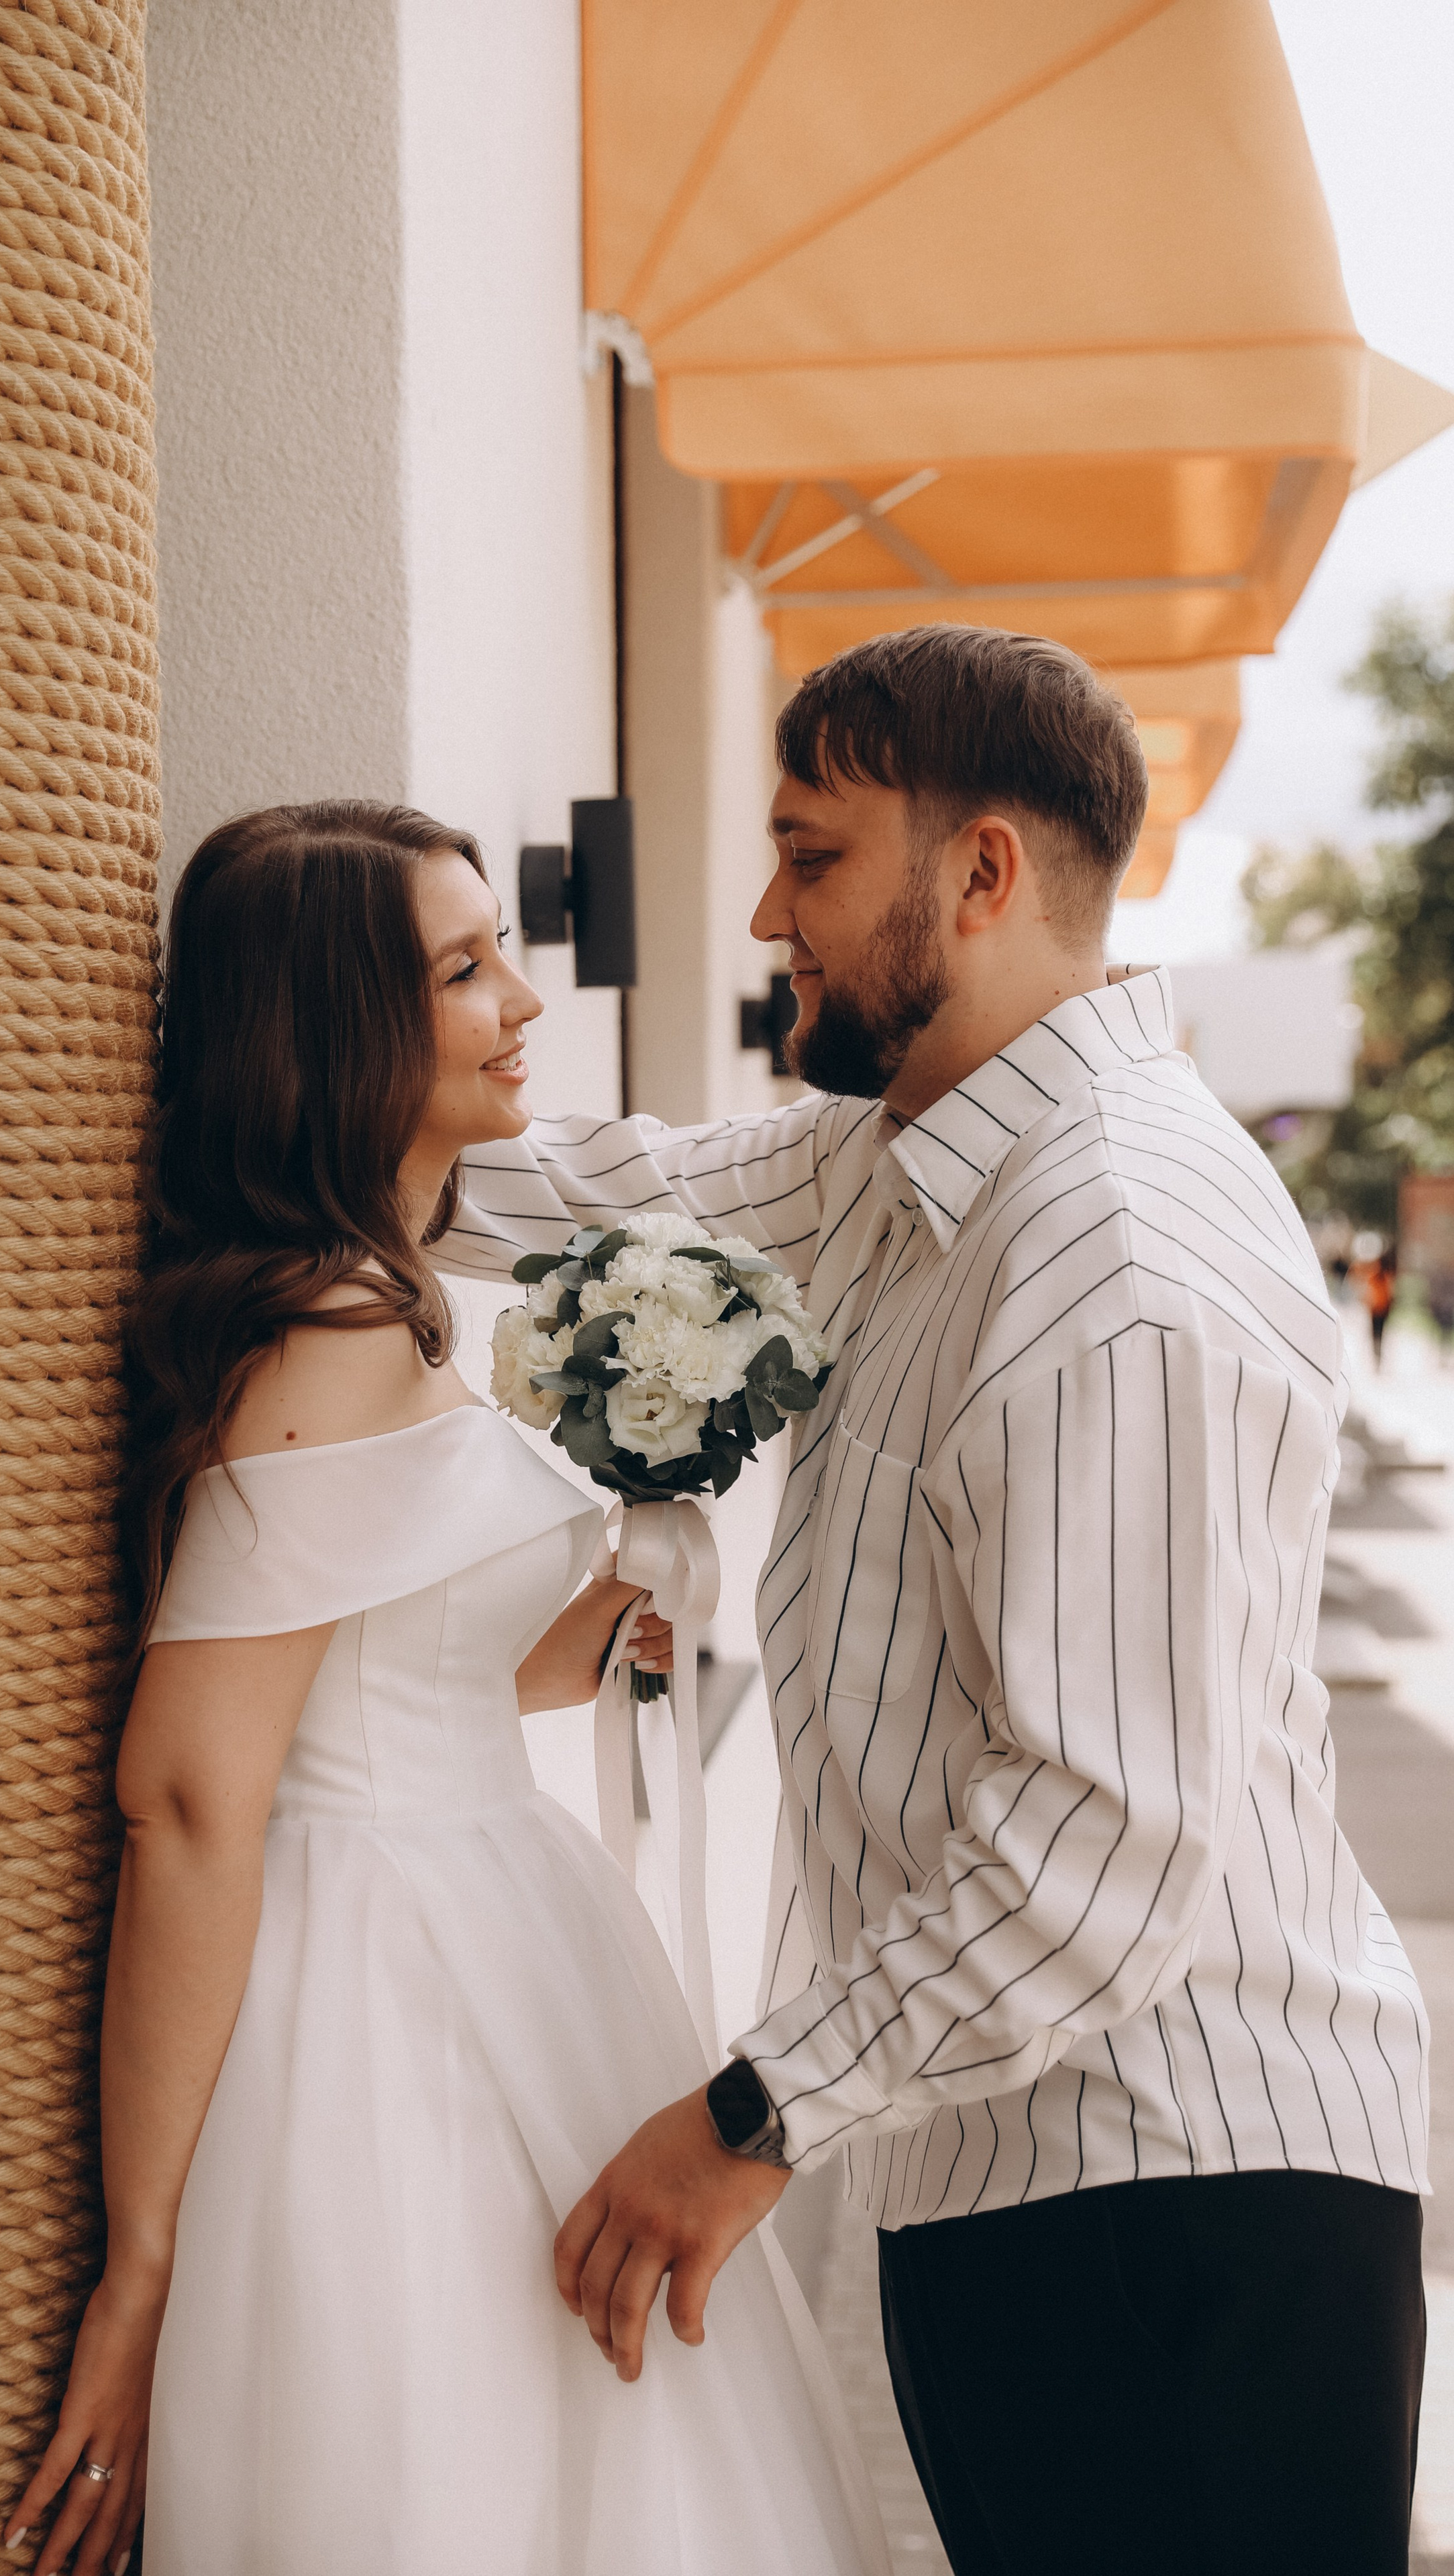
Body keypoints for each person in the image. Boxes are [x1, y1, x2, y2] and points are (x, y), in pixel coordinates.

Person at [450, 628, 1431, 2576]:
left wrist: (744, 2119)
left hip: (1179, 2218)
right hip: (1027, 2181)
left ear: (979, 873)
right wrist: (318, 1151)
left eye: (812, 856)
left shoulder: (1113, 1252)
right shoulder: (913, 1158)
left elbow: (1101, 1841)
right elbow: (653, 1185)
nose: (761, 909)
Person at [5, 803, 888, 2576]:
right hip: (376, 1980)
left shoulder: (379, 1302)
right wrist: (146, 2266)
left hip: (496, 1915)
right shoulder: (330, 1328)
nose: (522, 999)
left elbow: (404, 1676)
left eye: (504, 950)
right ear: (340, 1030)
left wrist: (600, 1595)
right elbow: (192, 1794)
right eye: (463, 969)